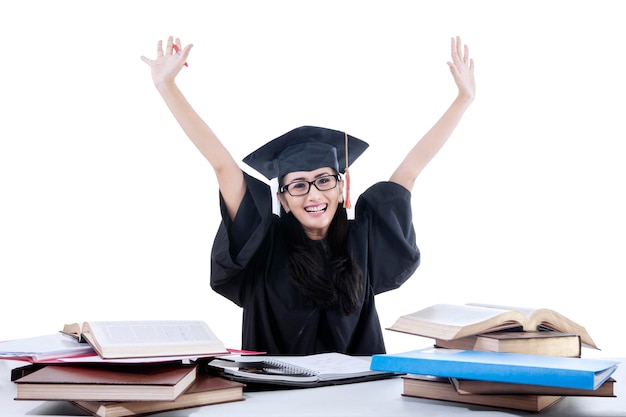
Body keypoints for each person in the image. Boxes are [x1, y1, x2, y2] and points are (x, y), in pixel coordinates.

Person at [141, 35, 475, 355]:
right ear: (282, 200)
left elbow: (411, 169)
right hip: (275, 401)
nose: (314, 193)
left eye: (324, 180)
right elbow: (222, 167)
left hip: (357, 400)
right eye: (298, 185)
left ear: (341, 187)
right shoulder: (263, 243)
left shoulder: (363, 239)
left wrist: (464, 99)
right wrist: (166, 87)